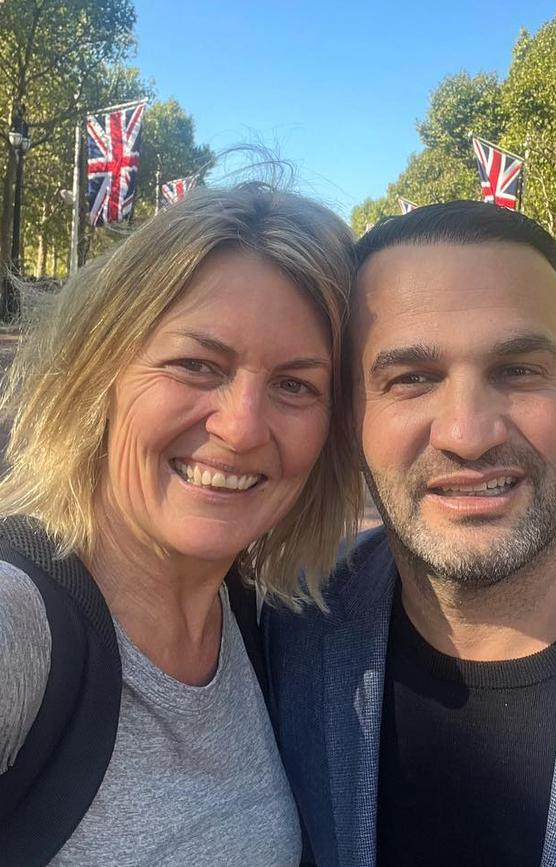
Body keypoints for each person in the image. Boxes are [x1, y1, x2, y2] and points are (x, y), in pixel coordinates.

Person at [264, 201, 556, 867]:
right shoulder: (292, 626)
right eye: (412, 379)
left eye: (519, 370)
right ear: (352, 419)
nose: (468, 434)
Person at [0, 182, 361, 866]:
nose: (241, 426)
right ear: (100, 367)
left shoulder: (266, 626)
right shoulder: (18, 626)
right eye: (197, 364)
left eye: (295, 384)